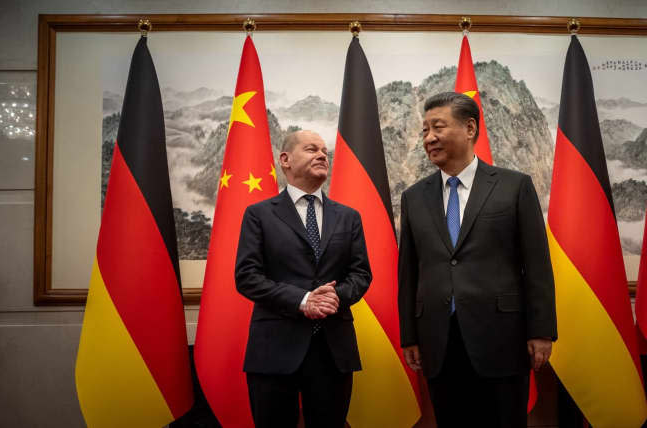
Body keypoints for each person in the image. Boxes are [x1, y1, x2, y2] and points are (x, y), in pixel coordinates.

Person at [398, 92, 557, 427]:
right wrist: (410, 336)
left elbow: (537, 265)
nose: (429, 138)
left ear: (470, 128)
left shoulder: (514, 187)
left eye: (437, 127)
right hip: (438, 339)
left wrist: (542, 330)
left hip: (502, 336)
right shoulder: (414, 198)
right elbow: (409, 272)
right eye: (424, 130)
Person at [235, 130, 371, 428]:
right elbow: (246, 276)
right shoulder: (259, 215)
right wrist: (303, 300)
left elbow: (361, 274)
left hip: (333, 350)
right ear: (285, 159)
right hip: (274, 350)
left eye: (325, 151)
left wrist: (335, 297)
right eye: (312, 149)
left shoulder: (348, 217)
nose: (323, 155)